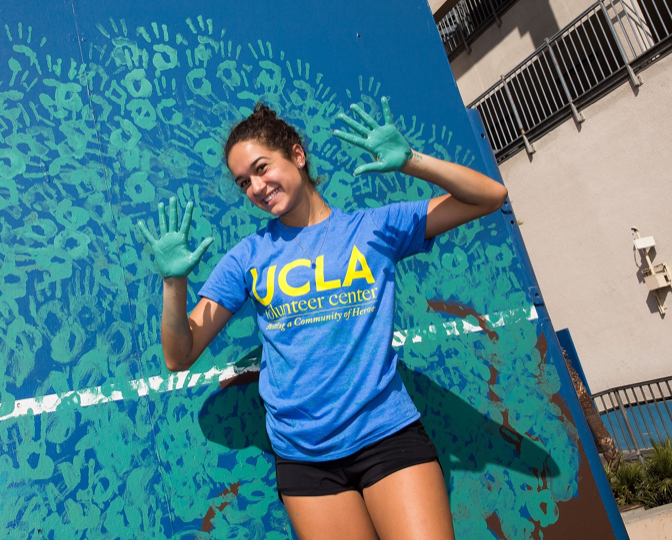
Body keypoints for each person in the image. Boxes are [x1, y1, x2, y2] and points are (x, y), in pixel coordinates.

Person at [136, 97, 507, 540]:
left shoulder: (374, 229)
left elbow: (490, 196)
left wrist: (411, 161)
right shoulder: (247, 258)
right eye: (242, 182)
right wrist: (173, 286)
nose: (255, 186)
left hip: (387, 435)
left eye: (261, 167)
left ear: (296, 154)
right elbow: (180, 355)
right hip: (304, 459)